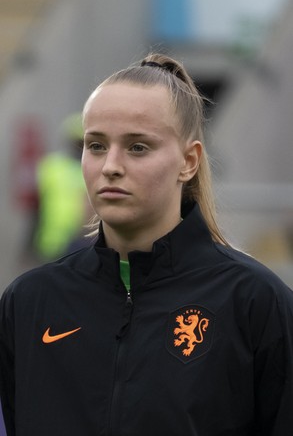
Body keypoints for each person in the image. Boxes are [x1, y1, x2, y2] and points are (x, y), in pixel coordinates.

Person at [1, 53, 293, 436]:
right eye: (96, 145)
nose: (111, 166)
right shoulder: (29, 302)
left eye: (137, 147)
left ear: (189, 161)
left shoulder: (255, 302)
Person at [32, 113, 90, 262]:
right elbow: (36, 205)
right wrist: (29, 240)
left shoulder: (94, 169)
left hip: (82, 243)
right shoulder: (51, 164)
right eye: (77, 142)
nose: (80, 147)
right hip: (51, 241)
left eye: (84, 143)